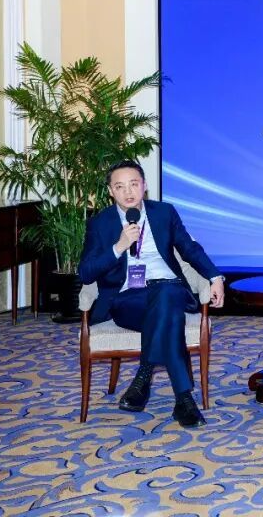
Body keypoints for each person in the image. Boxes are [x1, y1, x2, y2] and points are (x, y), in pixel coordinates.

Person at [79, 160, 225, 428]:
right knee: (169, 315)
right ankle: (182, 398)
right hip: (128, 300)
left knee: (167, 293)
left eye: (134, 184)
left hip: (170, 288)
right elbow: (86, 273)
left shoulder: (164, 213)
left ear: (144, 186)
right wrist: (119, 246)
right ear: (110, 191)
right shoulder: (100, 223)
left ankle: (146, 378)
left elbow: (189, 248)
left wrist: (215, 277)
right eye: (120, 187)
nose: (128, 192)